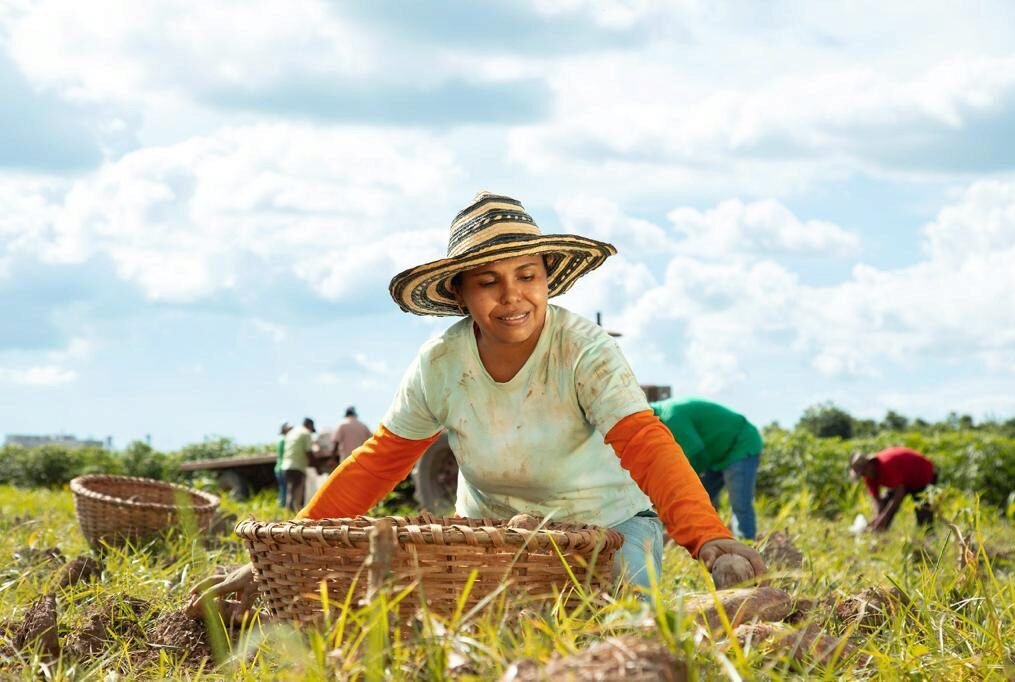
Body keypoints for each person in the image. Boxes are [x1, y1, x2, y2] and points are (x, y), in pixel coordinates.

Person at [190, 191, 764, 621]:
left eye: (527, 275)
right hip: (490, 535)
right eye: (488, 282)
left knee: (625, 624)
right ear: (460, 293)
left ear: (547, 280)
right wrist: (281, 550)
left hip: (606, 525)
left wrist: (708, 538)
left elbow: (644, 444)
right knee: (461, 631)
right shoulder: (441, 364)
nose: (512, 295)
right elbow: (380, 462)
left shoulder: (583, 350)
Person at [650, 399, 763, 540]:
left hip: (740, 444)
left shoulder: (670, 417)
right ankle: (703, 539)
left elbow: (696, 454)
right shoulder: (662, 417)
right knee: (699, 501)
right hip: (715, 455)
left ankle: (746, 544)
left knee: (740, 504)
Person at [849, 447, 937, 531]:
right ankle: (880, 532)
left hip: (922, 475)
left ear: (869, 465)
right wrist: (878, 517)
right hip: (904, 479)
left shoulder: (886, 465)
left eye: (864, 473)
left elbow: (899, 494)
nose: (864, 476)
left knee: (923, 512)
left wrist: (884, 517)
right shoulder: (868, 476)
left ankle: (928, 536)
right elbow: (877, 499)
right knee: (885, 506)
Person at [281, 417, 316, 512]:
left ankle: (288, 512)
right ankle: (293, 514)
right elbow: (309, 452)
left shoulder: (292, 432)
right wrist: (316, 467)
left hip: (286, 465)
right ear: (309, 425)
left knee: (290, 491)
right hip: (297, 466)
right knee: (297, 493)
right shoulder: (306, 433)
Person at [324, 406, 372, 473]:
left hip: (346, 461)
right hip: (361, 461)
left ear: (346, 415)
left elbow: (336, 443)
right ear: (355, 415)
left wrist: (332, 459)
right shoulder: (364, 426)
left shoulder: (342, 425)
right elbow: (371, 442)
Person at [274, 422, 292, 508]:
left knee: (282, 488)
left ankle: (281, 506)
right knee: (284, 489)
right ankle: (282, 506)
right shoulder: (284, 440)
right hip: (282, 467)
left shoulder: (280, 439)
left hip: (279, 467)